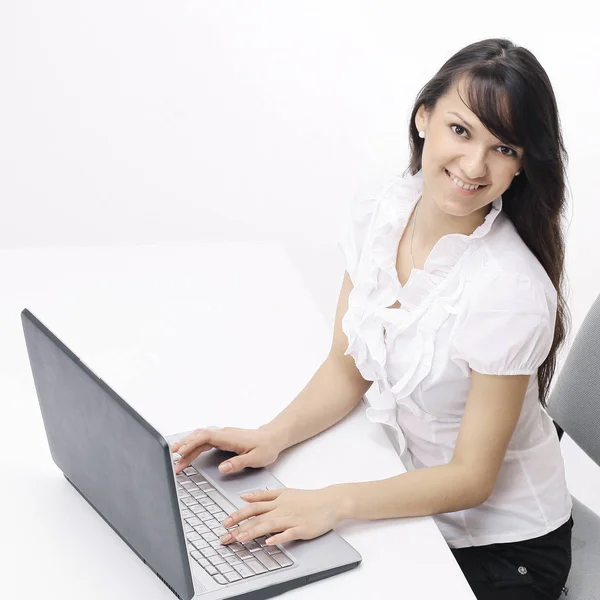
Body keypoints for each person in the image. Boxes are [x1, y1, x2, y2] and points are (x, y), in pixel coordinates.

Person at [171, 38, 573, 600]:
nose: (474, 165)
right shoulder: (381, 212)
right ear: (424, 116)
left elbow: (472, 479)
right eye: (461, 130)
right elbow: (349, 365)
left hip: (503, 552)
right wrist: (271, 436)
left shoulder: (510, 289)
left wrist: (334, 503)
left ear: (523, 162)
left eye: (503, 147)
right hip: (409, 503)